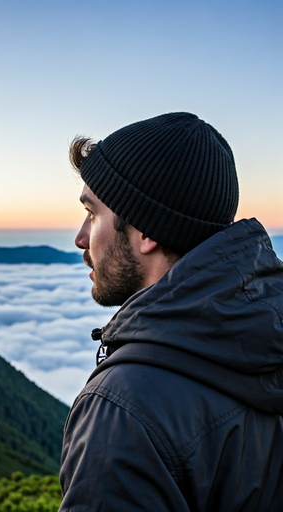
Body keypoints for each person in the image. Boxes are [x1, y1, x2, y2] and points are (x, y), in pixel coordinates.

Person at [59, 112, 283, 511]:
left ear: (146, 231)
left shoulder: (123, 410)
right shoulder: (269, 339)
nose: (80, 238)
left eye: (93, 214)